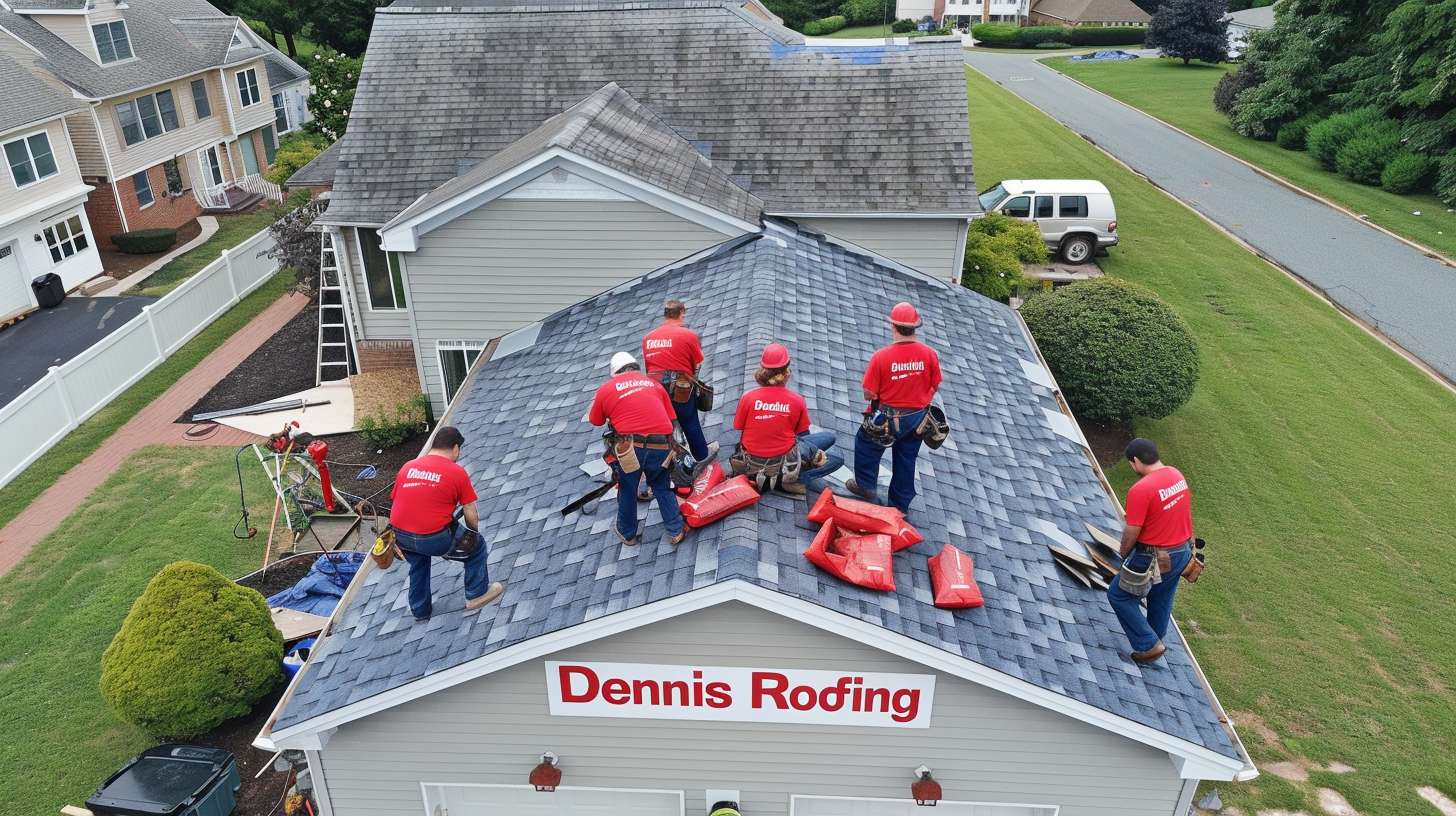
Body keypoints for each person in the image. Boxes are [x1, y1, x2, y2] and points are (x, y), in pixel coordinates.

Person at [389, 426, 504, 620]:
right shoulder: (456, 471)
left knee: (418, 562)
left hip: (401, 535)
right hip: (434, 537)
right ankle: (476, 595)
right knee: (477, 548)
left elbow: (397, 502)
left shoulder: (408, 466)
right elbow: (470, 513)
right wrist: (472, 536)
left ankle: (420, 610)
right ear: (456, 448)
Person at [1106, 438, 1195, 663]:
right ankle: (1157, 637)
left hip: (1154, 556)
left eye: (1131, 464)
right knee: (1161, 595)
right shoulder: (1176, 475)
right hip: (1182, 552)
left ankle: (1148, 644)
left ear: (1135, 461)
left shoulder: (1141, 489)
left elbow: (1132, 530)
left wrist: (1124, 554)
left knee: (1119, 595)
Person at [848, 302, 942, 514]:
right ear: (915, 327)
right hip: (918, 417)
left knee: (866, 443)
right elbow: (935, 384)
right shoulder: (929, 354)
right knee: (906, 458)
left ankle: (865, 485)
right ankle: (899, 505)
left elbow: (869, 393)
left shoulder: (881, 357)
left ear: (893, 326)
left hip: (888, 417)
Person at [589, 351, 688, 547]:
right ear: (635, 368)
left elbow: (595, 420)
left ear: (615, 373)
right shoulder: (654, 384)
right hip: (660, 446)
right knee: (661, 484)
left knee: (627, 488)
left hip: (629, 449)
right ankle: (676, 530)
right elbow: (670, 418)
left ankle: (628, 534)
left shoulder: (606, 389)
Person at [730, 343, 843, 495]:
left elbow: (739, 427)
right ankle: (797, 479)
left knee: (829, 437)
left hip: (751, 461)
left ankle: (779, 476)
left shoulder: (748, 397)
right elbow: (802, 434)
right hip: (783, 464)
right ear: (786, 373)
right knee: (837, 457)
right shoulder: (797, 400)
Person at [642, 298, 713, 469]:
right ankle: (701, 457)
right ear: (682, 313)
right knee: (689, 421)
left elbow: (649, 368)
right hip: (680, 389)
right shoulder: (689, 335)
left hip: (656, 390)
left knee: (665, 426)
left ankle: (671, 462)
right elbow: (697, 362)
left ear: (665, 315)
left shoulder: (648, 339)